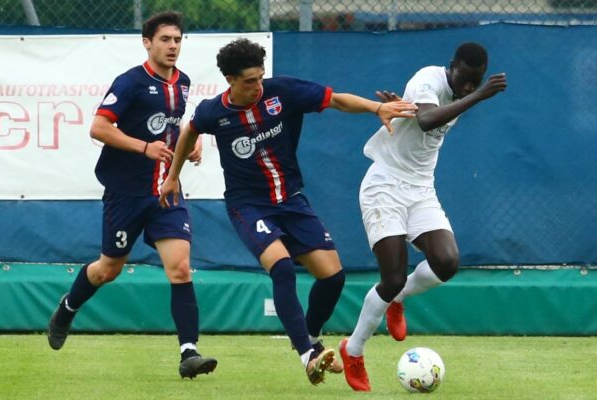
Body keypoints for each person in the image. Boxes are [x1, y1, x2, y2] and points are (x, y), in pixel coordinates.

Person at [158, 38, 418, 385]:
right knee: (282, 269)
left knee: (333, 276)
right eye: (249, 81)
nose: (257, 86)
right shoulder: (213, 112)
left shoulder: (282, 92)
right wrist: (173, 176)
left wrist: (376, 108)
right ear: (230, 80)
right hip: (247, 206)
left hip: (291, 201)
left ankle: (309, 335)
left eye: (260, 77)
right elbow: (190, 130)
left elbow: (336, 100)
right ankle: (308, 355)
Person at [46, 11, 217, 379]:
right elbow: (99, 127)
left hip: (166, 190)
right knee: (109, 269)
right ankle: (68, 307)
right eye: (165, 40)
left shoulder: (183, 82)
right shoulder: (130, 82)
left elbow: (178, 125)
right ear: (147, 42)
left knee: (181, 267)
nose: (173, 46)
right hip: (126, 193)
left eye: (177, 39)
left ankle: (189, 352)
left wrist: (193, 141)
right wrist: (144, 148)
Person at [339, 42, 507, 391]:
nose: (467, 87)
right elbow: (428, 120)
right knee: (393, 275)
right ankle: (353, 349)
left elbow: (425, 117)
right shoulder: (428, 79)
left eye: (474, 83)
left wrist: (468, 95)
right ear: (451, 66)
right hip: (384, 183)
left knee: (447, 262)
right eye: (463, 79)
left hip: (420, 190)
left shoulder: (460, 91)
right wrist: (479, 96)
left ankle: (397, 300)